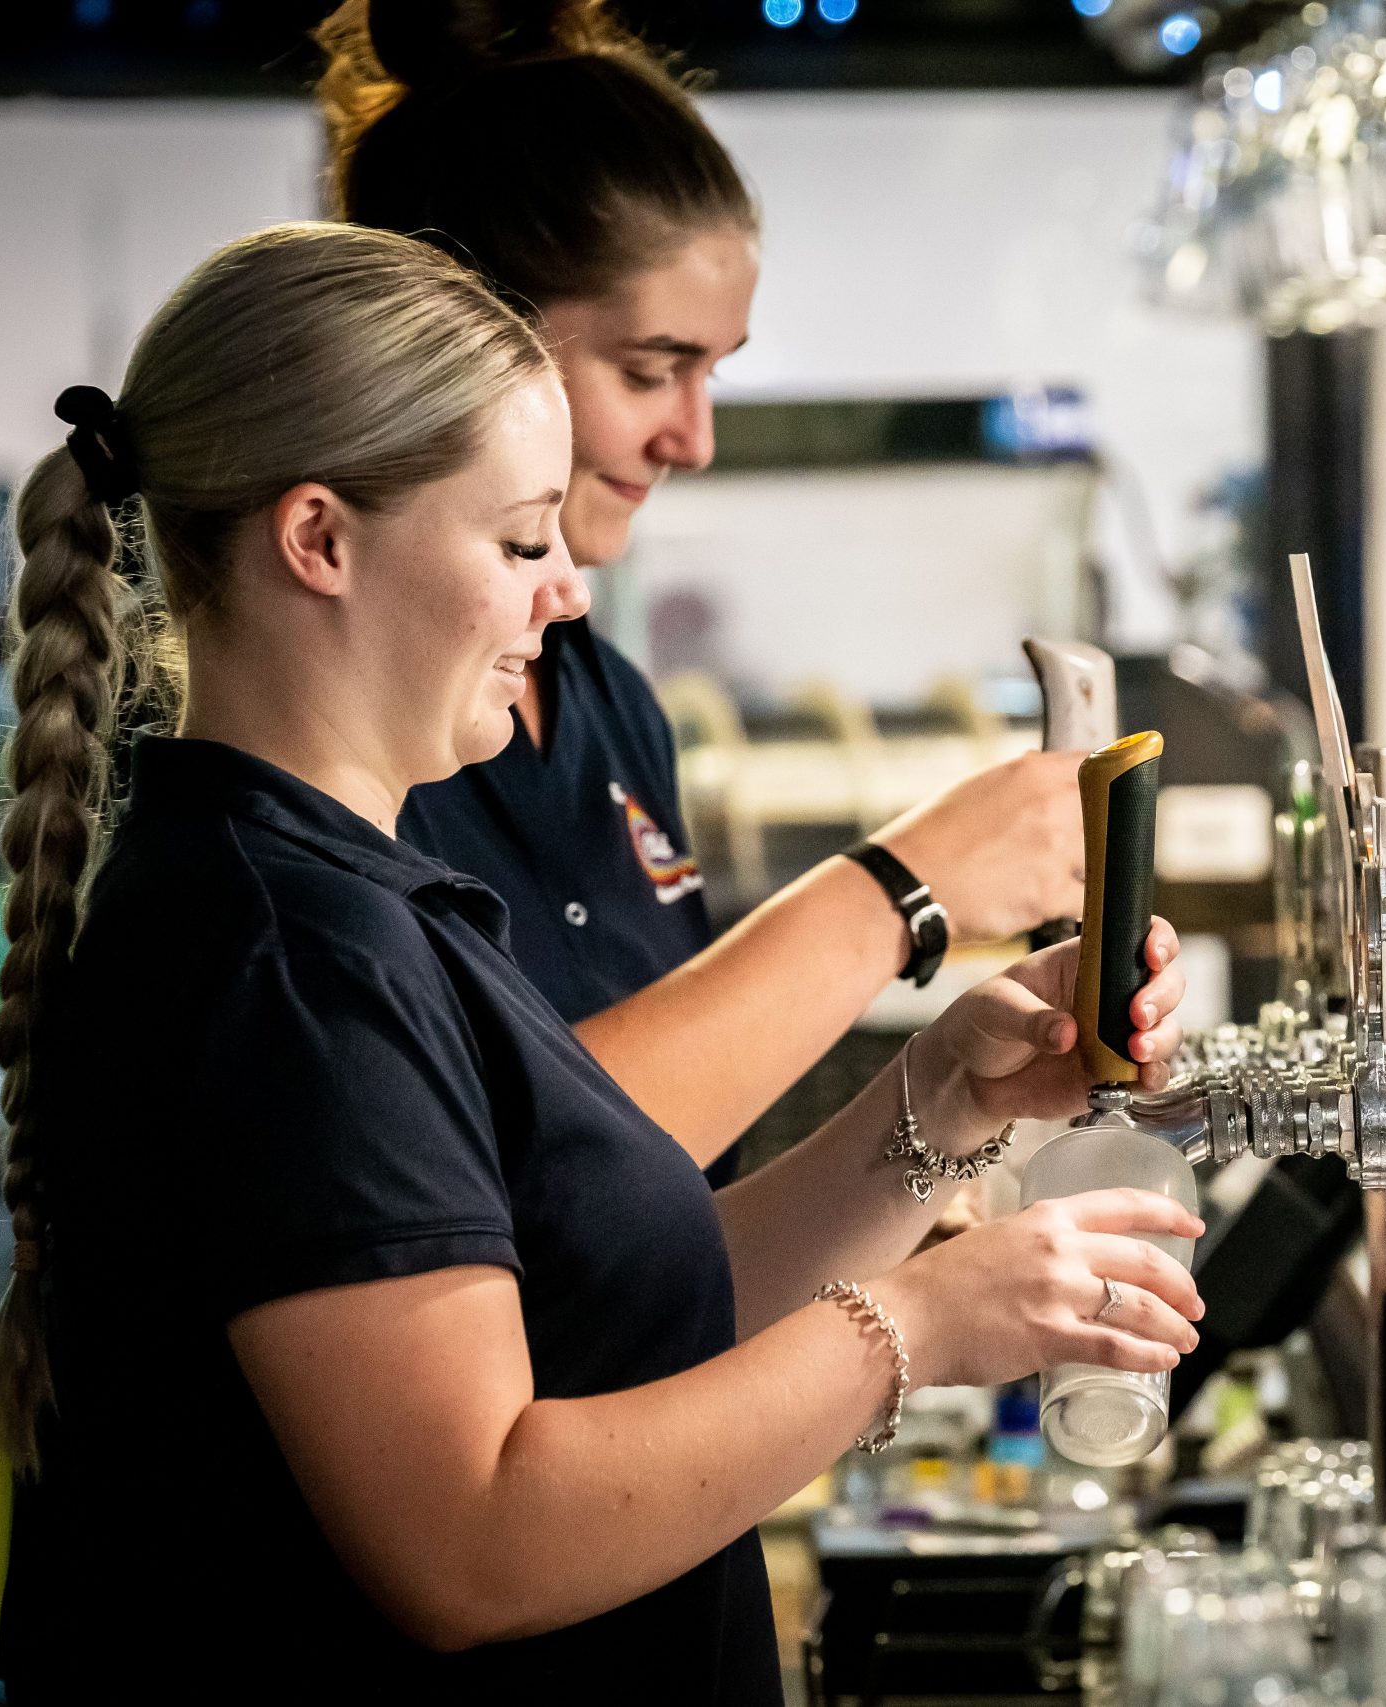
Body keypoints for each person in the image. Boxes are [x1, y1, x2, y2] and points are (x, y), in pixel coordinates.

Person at [0, 222, 1199, 1699]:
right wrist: (922, 1327)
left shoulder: (367, 901)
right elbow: (475, 1535)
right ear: (319, 539)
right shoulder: (286, 953)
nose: (565, 592)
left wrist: (939, 1104)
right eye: (516, 539)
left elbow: (628, 1317)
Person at [313, 0, 1089, 1181]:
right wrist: (901, 885)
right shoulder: (334, 731)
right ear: (467, 336)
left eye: (712, 373)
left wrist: (928, 1133)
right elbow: (516, 1176)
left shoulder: (604, 699)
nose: (694, 437)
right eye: (651, 369)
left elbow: (660, 1215)